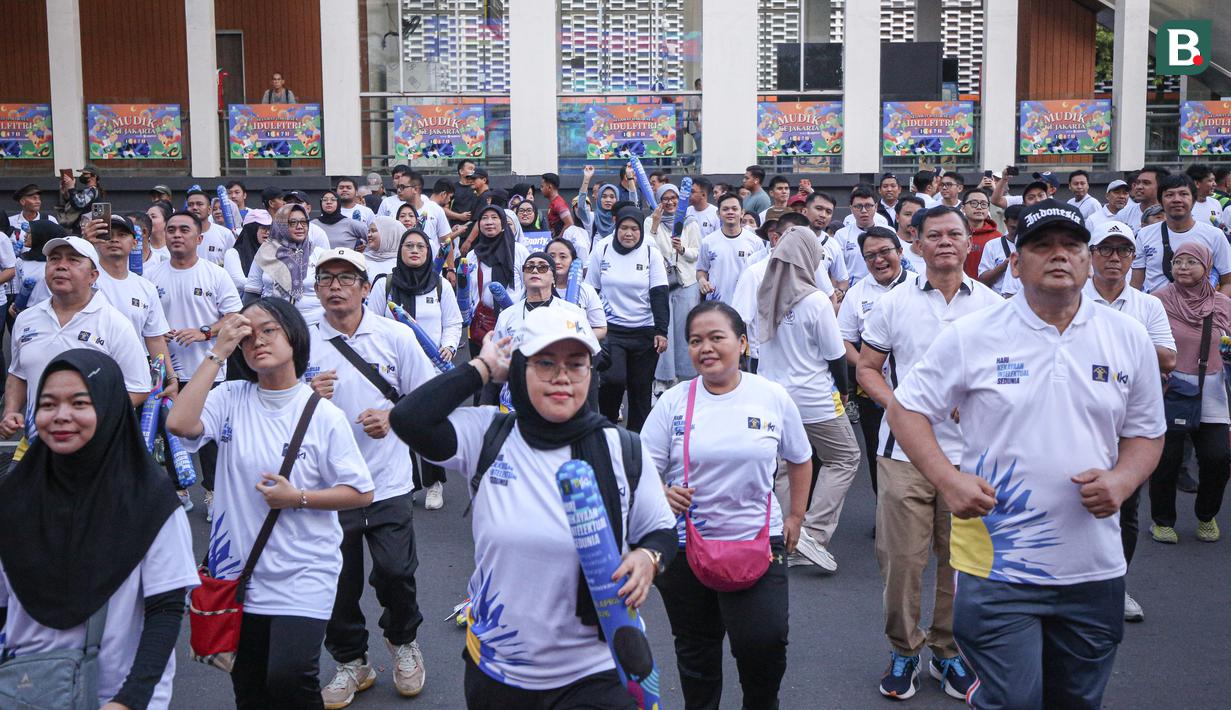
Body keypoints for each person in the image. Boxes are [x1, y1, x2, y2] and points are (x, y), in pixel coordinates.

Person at [886, 199, 1165, 709]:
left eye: (1071, 246)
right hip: (998, 568)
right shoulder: (974, 335)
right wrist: (949, 480)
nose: (1058, 256)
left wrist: (1123, 482)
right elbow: (906, 409)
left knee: (1077, 702)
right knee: (1015, 700)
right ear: (1016, 262)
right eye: (1042, 246)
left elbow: (1147, 432)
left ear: (1088, 258)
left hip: (1093, 569)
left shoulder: (1127, 336)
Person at [390, 307, 676, 708]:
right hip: (499, 669)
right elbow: (408, 419)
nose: (562, 377)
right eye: (545, 363)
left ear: (590, 374)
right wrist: (482, 368)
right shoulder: (487, 433)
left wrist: (648, 558)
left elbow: (661, 532)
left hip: (597, 668)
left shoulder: (623, 448)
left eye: (576, 365)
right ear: (519, 369)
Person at [167, 298, 375, 710]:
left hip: (303, 571)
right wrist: (217, 350)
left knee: (289, 678)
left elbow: (360, 491)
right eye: (247, 336)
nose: (257, 341)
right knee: (250, 688)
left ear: (294, 337)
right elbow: (179, 424)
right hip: (238, 574)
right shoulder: (230, 397)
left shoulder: (322, 414)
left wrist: (296, 497)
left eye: (269, 330)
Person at [0, 350, 197, 710]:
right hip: (26, 691)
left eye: (79, 402)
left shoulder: (148, 500)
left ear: (108, 407)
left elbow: (166, 610)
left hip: (116, 695)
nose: (61, 416)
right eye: (47, 404)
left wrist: (130, 699)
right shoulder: (15, 496)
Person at [857, 205, 1000, 700]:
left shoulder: (992, 305)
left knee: (958, 563)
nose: (944, 242)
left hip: (971, 457)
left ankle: (947, 652)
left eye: (953, 234)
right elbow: (868, 369)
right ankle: (903, 649)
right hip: (903, 455)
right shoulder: (895, 303)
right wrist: (904, 408)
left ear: (968, 243)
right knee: (901, 560)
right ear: (915, 243)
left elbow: (1006, 375)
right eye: (933, 234)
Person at [642, 301, 810, 709]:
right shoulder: (674, 401)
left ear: (743, 342)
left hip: (758, 540)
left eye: (717, 337)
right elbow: (640, 464)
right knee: (697, 653)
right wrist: (659, 493)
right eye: (696, 340)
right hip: (684, 547)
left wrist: (795, 516)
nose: (706, 348)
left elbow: (800, 456)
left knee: (763, 643)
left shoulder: (771, 395)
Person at [301, 248, 436, 707]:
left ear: (365, 287)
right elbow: (273, 406)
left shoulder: (395, 336)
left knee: (395, 572)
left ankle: (404, 642)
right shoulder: (302, 342)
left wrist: (394, 416)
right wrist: (304, 395)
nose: (335, 286)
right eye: (326, 278)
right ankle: (351, 661)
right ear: (316, 288)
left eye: (345, 278)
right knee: (337, 581)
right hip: (326, 487)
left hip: (388, 480)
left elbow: (429, 400)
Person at [1083, 220, 1177, 623]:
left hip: (1128, 418)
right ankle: (1070, 583)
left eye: (1123, 251)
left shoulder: (1147, 304)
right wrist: (1136, 347)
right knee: (1070, 499)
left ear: (1133, 259)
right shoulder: (1073, 297)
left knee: (1124, 505)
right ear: (1091, 255)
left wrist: (1106, 348)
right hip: (1080, 414)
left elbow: (1169, 358)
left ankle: (1113, 585)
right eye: (1106, 249)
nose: (1114, 258)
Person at [755, 226, 860, 571]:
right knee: (844, 457)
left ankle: (787, 536)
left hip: (773, 397)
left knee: (787, 466)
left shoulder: (766, 294)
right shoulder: (814, 299)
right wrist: (844, 392)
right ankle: (812, 532)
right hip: (815, 396)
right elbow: (835, 354)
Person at [2, 236, 151, 447]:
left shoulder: (115, 324)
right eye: (54, 259)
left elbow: (139, 388)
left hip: (93, 449)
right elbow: (18, 374)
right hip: (34, 447)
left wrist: (88, 420)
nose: (61, 266)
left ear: (93, 276)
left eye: (73, 260)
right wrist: (10, 412)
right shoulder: (26, 318)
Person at [146, 212, 244, 514]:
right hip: (166, 370)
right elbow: (146, 324)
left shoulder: (214, 274)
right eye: (172, 229)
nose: (177, 235)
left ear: (198, 238)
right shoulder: (152, 276)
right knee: (171, 431)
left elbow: (234, 317)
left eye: (184, 230)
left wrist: (204, 332)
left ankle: (213, 491)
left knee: (210, 434)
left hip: (209, 368)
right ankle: (178, 488)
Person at [1148, 241, 1231, 545]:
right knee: (1167, 460)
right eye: (1178, 262)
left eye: (1191, 262)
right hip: (1170, 390)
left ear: (1206, 267)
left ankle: (1206, 516)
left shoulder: (1222, 304)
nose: (1183, 267)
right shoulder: (1157, 301)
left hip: (1212, 390)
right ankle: (1162, 521)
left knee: (1218, 458)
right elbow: (1144, 343)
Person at [838, 226, 913, 501]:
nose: (878, 260)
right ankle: (885, 510)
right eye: (870, 256)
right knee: (878, 451)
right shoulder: (858, 294)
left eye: (884, 252)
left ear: (900, 252)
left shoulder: (920, 285)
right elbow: (843, 340)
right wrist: (867, 367)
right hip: (875, 393)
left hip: (919, 390)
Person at [586, 207, 669, 432]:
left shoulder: (651, 252)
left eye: (634, 229)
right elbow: (591, 290)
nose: (629, 233)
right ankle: (607, 427)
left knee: (640, 389)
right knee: (613, 380)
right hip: (611, 330)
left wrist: (662, 331)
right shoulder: (601, 249)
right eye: (624, 228)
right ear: (616, 226)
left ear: (641, 230)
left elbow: (659, 292)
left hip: (644, 331)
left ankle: (638, 440)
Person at [84, 214, 176, 372]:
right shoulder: (84, 280)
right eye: (108, 235)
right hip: (91, 368)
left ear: (134, 243)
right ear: (97, 243)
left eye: (122, 235)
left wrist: (170, 376)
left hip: (134, 372)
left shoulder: (146, 287)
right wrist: (84, 243)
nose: (114, 240)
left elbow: (155, 339)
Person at [1132, 173, 1231, 297]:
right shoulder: (1144, 234)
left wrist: (1212, 308)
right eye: (1169, 195)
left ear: (1194, 200)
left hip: (1201, 314)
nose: (1177, 199)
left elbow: (1228, 282)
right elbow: (1136, 284)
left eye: (1183, 194)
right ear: (1160, 201)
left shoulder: (1215, 235)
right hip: (1156, 312)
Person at [646, 183, 700, 388]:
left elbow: (697, 253)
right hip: (661, 283)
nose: (669, 202)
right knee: (663, 330)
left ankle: (686, 375)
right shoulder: (651, 221)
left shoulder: (689, 222)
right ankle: (663, 378)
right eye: (665, 198)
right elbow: (646, 248)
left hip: (686, 282)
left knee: (685, 329)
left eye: (673, 198)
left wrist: (683, 249)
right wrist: (654, 224)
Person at [245, 204, 327, 327]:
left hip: (314, 326)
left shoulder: (318, 254)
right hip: (273, 326)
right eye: (292, 222)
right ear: (281, 225)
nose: (300, 227)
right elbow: (252, 291)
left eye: (304, 222)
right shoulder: (266, 252)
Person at [463, 205, 530, 355]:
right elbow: (469, 291)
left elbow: (529, 285)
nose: (489, 222)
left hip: (514, 324)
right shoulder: (473, 255)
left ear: (503, 224)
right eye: (484, 218)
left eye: (494, 217)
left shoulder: (518, 251)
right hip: (482, 325)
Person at [697, 193, 765, 303]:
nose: (730, 212)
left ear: (742, 212)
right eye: (725, 209)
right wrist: (702, 280)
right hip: (716, 304)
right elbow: (701, 269)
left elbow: (761, 274)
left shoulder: (756, 242)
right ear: (718, 214)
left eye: (734, 209)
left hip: (745, 304)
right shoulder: (708, 242)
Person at [835, 185, 881, 281]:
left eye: (868, 206)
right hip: (852, 290)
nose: (863, 211)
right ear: (851, 208)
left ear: (876, 207)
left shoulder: (888, 231)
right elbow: (837, 268)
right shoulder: (841, 235)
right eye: (858, 206)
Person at [978, 204, 1023, 297]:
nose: (1017, 232)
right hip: (997, 301)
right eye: (1013, 228)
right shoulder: (992, 245)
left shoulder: (1034, 247)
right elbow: (983, 280)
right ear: (1005, 223)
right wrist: (1003, 266)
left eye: (1021, 228)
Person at [185, 187, 237, 267]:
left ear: (209, 210)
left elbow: (234, 265)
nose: (194, 207)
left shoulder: (225, 234)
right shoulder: (179, 235)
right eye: (190, 205)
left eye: (199, 204)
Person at [226, 209, 272, 292]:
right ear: (251, 230)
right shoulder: (233, 253)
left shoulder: (275, 252)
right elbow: (238, 281)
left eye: (270, 228)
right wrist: (268, 285)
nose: (267, 232)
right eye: (263, 228)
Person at [961, 188, 1001, 279]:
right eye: (974, 203)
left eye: (983, 204)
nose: (979, 207)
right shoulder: (953, 234)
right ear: (963, 208)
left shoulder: (997, 237)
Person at [364, 215, 404, 281]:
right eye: (369, 231)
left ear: (389, 234)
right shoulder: (362, 260)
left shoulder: (403, 263)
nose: (369, 235)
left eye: (373, 231)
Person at [894, 196, 928, 273]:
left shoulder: (930, 246)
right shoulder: (891, 245)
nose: (913, 219)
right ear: (897, 217)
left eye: (917, 215)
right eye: (908, 214)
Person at [540, 173, 573, 238]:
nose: (541, 189)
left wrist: (558, 239)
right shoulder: (554, 203)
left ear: (549, 187)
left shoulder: (558, 204)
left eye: (542, 186)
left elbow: (570, 223)